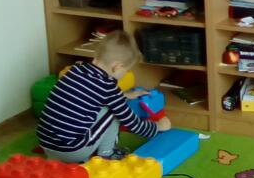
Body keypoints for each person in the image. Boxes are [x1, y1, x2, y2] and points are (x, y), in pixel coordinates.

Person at [37, 31, 170, 162]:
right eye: (127, 70)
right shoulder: (107, 87)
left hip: (46, 144)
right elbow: (131, 123)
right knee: (113, 111)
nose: (125, 73)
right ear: (117, 67)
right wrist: (157, 127)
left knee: (105, 107)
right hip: (72, 151)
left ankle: (68, 153)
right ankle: (107, 154)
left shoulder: (76, 70)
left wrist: (124, 95)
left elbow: (87, 96)